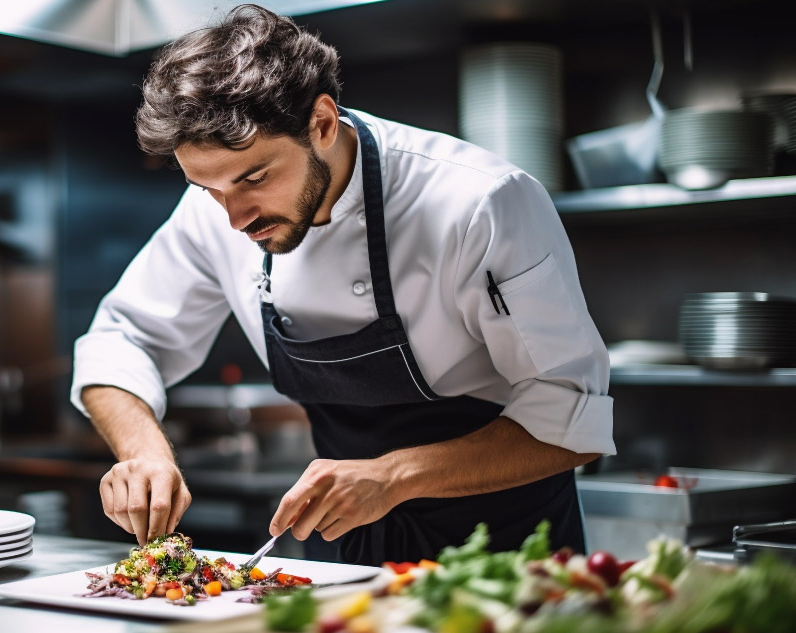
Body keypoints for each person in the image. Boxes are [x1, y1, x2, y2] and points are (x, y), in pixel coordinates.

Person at [71, 4, 615, 566]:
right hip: (351, 546)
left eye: (255, 178)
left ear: (323, 124)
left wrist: (393, 476)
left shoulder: (479, 201)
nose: (234, 218)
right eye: (209, 188)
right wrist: (144, 454)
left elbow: (570, 418)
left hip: (509, 543)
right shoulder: (212, 211)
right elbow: (120, 341)